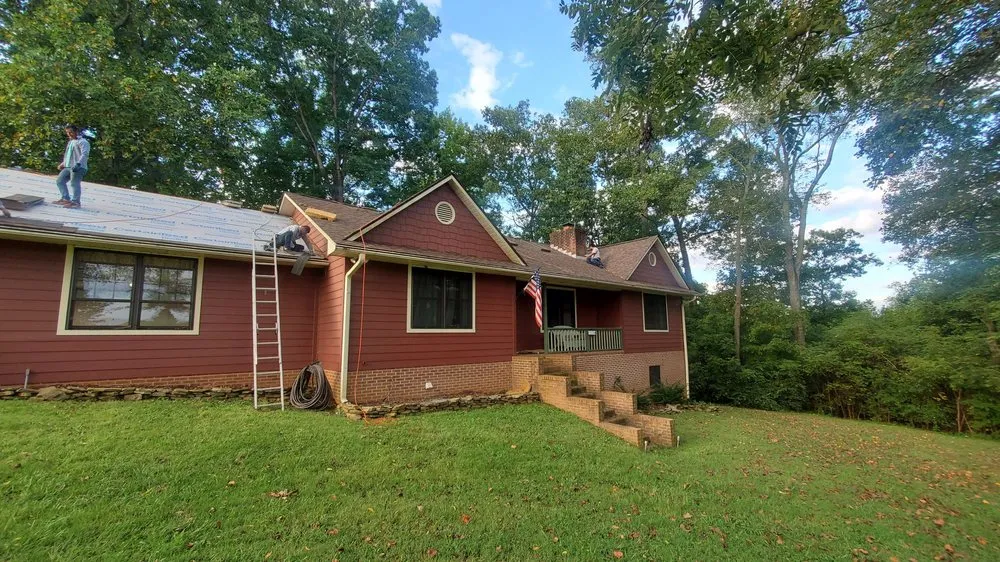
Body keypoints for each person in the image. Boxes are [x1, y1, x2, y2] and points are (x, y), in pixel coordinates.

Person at [53, 124, 90, 209]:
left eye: (71, 132)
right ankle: (65, 198)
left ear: (76, 132)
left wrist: (78, 164)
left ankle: (76, 202)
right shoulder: (71, 142)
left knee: (74, 183)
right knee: (60, 181)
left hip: (79, 167)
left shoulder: (83, 142)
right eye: (67, 132)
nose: (69, 134)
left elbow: (84, 154)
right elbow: (69, 155)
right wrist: (63, 164)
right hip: (68, 166)